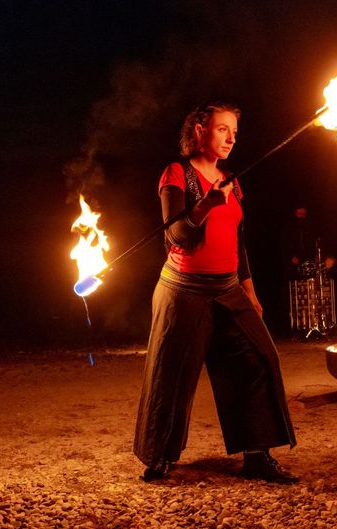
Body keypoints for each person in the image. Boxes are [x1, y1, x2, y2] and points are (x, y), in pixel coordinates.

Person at [133, 102, 297, 483]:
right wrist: (207, 203)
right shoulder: (177, 173)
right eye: (223, 129)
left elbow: (238, 242)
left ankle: (257, 456)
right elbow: (177, 236)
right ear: (200, 130)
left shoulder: (231, 179)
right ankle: (159, 456)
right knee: (172, 375)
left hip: (227, 288)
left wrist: (249, 290)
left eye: (235, 132)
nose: (231, 138)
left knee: (258, 360)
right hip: (183, 291)